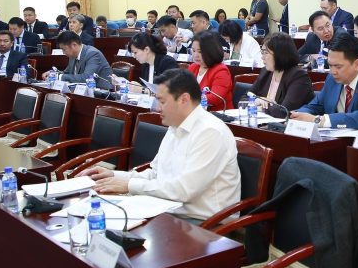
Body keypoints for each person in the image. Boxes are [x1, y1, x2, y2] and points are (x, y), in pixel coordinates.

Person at [77, 68, 241, 221]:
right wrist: (114, 176)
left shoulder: (210, 132)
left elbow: (184, 190)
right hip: (169, 208)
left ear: (184, 99)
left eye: (162, 101)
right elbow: (156, 174)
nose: (156, 108)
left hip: (204, 221)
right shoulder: (175, 125)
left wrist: (129, 185)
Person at [291, 33, 358, 130]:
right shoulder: (332, 78)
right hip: (339, 140)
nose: (333, 71)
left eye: (338, 66)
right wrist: (297, 116)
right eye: (330, 65)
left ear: (357, 64)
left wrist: (318, 120)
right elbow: (315, 106)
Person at [249, 32, 313, 114]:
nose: (262, 57)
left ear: (280, 54)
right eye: (262, 52)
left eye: (266, 53)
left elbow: (284, 111)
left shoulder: (298, 76)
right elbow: (245, 97)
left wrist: (259, 107)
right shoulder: (266, 72)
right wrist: (257, 100)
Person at [188, 31, 233, 111]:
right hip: (195, 111)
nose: (195, 55)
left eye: (200, 51)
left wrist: (188, 98)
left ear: (211, 51)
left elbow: (215, 98)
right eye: (193, 51)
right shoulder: (193, 67)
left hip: (218, 114)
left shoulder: (221, 71)